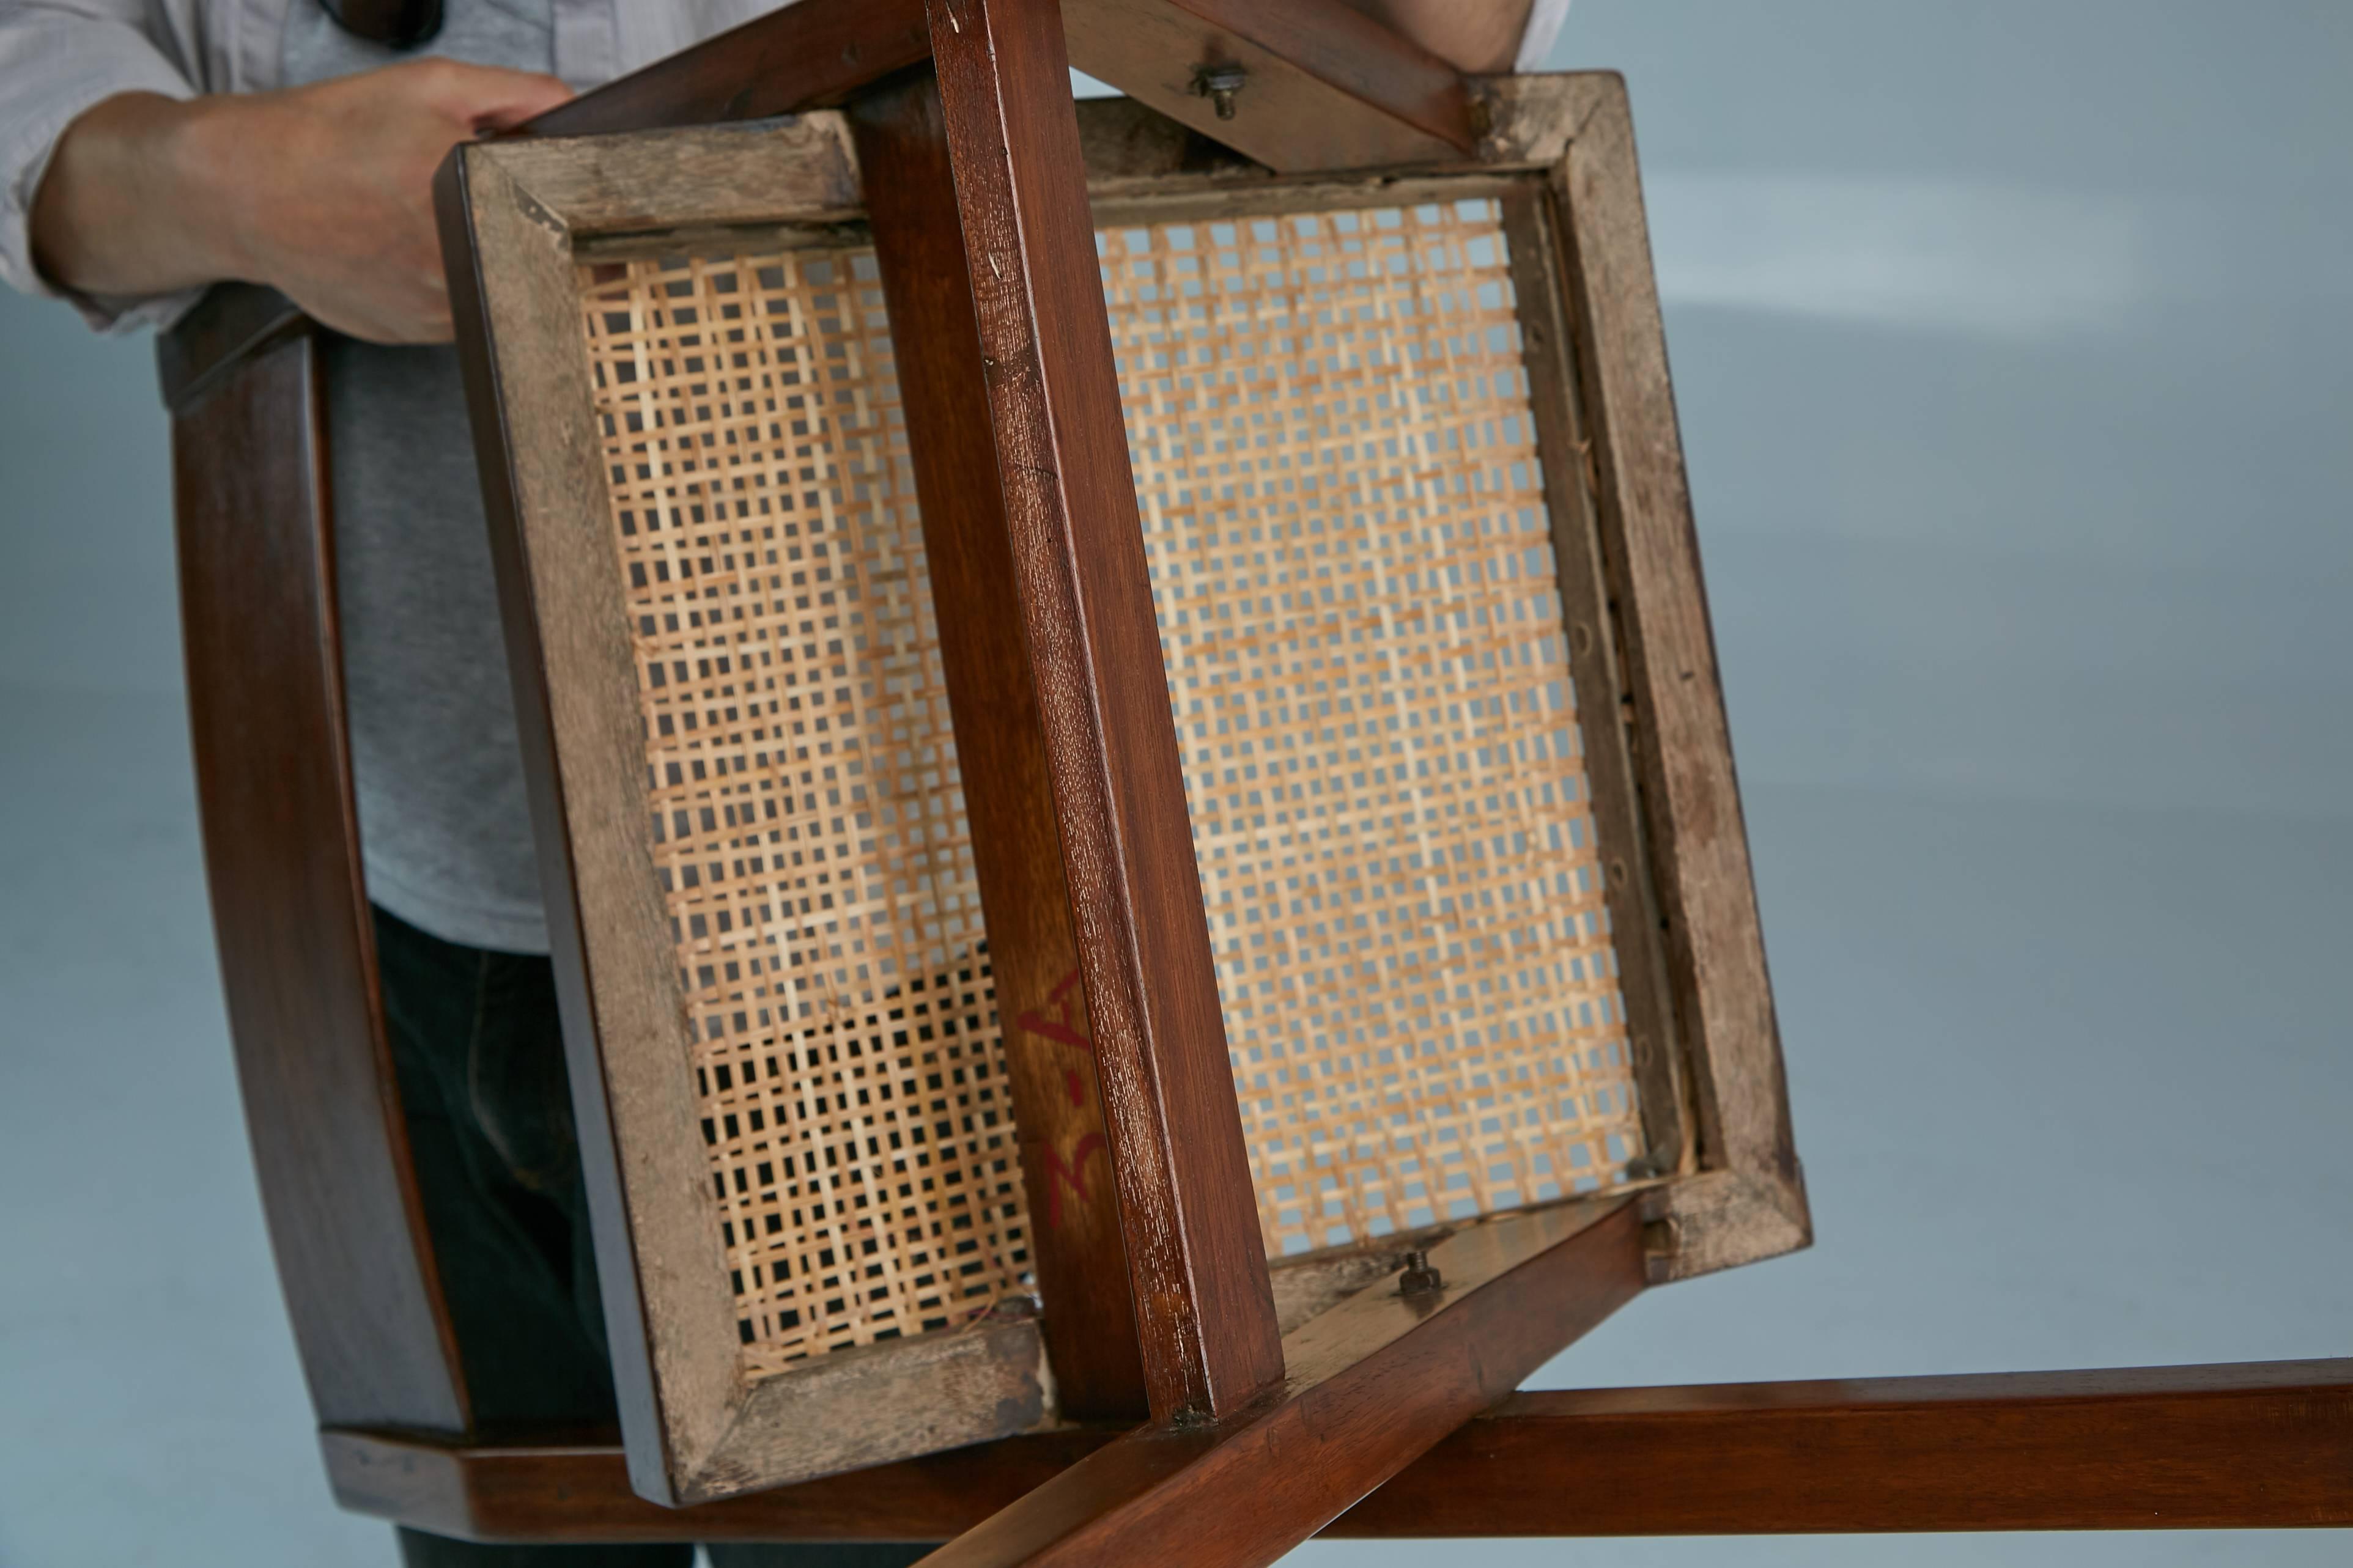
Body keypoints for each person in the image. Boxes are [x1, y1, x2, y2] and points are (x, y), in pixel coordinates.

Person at [0, 1, 1573, 1563]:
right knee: (507, 1526)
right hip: (403, 888)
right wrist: (225, 178)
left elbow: (1425, 54)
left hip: (941, 935)